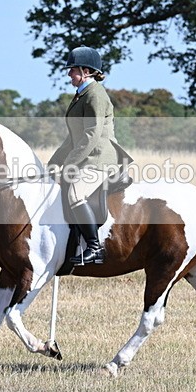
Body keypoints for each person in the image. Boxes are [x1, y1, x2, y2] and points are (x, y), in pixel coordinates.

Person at [47, 46, 132, 266]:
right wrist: (54, 162)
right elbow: (73, 138)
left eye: (72, 70)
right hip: (88, 156)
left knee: (75, 193)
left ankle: (95, 248)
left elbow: (91, 134)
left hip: (100, 158)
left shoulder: (95, 95)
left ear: (86, 71)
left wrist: (69, 165)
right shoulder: (81, 95)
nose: (69, 74)